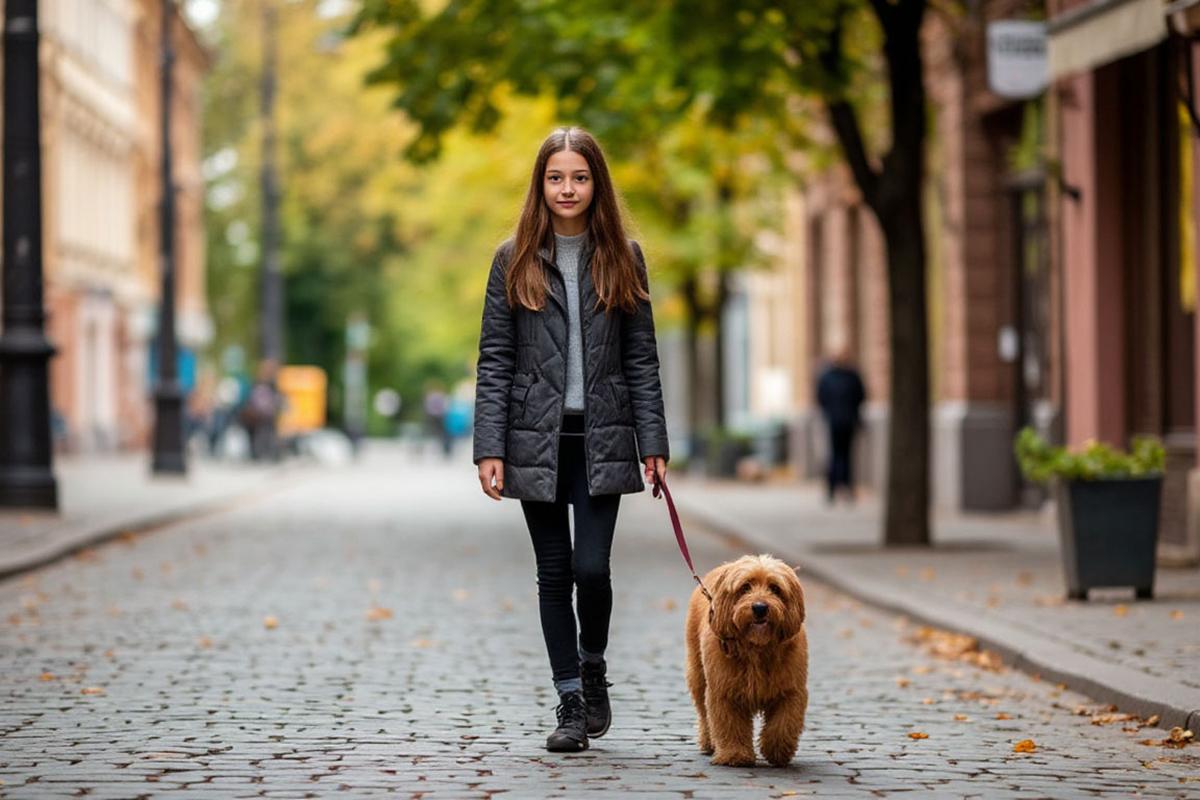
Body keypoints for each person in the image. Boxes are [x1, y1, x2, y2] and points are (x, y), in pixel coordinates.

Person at [473, 127, 669, 753]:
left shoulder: (623, 257)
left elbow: (642, 359)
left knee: (593, 568)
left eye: (579, 177)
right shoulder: (513, 259)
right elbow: (495, 359)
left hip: (602, 435)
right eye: (556, 177)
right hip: (535, 437)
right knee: (554, 572)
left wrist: (653, 443)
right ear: (540, 185)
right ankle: (569, 701)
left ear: (596, 184)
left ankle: (593, 665)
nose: (567, 188)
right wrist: (490, 448)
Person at [816, 349, 866, 504]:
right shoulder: (851, 376)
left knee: (838, 455)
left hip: (838, 421)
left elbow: (821, 398)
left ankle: (837, 489)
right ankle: (843, 488)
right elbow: (861, 396)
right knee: (844, 455)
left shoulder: (829, 377)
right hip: (844, 421)